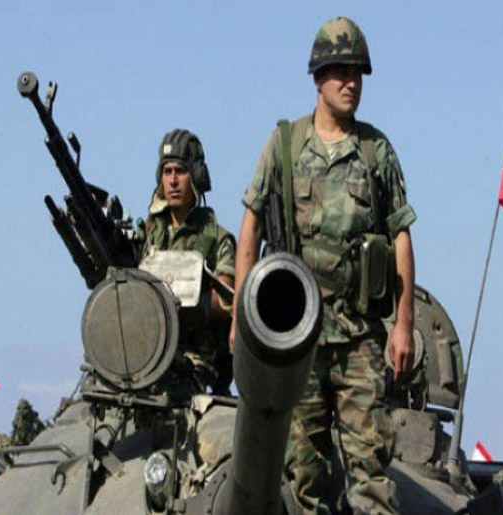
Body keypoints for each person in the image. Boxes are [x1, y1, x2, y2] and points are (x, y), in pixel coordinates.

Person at [231, 17, 416, 514]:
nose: (351, 83)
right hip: (298, 341)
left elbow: (400, 235)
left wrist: (403, 325)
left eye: (357, 73)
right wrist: (240, 320)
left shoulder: (376, 152)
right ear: (318, 78)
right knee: (302, 474)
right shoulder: (285, 145)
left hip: (359, 337)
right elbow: (251, 229)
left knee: (371, 474)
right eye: (340, 72)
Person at [141, 128, 236, 395]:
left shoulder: (218, 239)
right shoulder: (148, 235)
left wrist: (179, 303)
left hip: (194, 362)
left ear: (195, 175)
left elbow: (226, 300)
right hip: (147, 355)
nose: (173, 181)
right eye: (167, 171)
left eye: (180, 171)